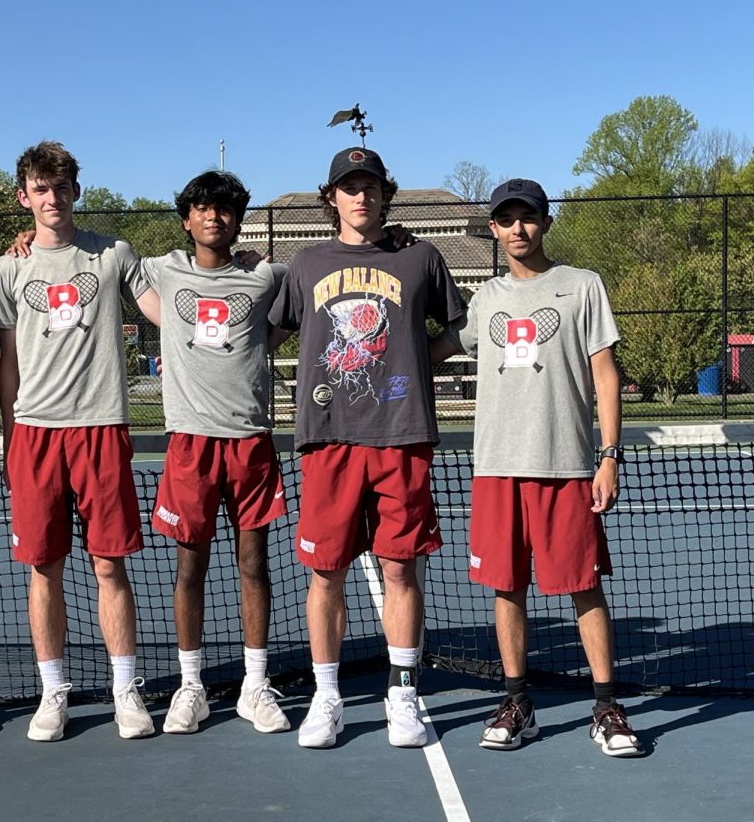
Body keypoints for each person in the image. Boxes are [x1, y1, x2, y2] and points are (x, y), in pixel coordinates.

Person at [435, 178, 644, 758]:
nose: (518, 229)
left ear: (545, 223)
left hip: (569, 467)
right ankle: (517, 700)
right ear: (494, 229)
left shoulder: (582, 287)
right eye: (507, 220)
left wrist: (609, 456)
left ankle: (607, 706)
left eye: (528, 218)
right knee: (507, 586)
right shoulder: (484, 299)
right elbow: (430, 347)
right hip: (497, 467)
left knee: (583, 586)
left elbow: (606, 375)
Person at [267, 146, 466, 749]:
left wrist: (410, 366)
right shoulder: (303, 265)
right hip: (328, 438)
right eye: (349, 187)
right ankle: (327, 699)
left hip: (402, 435)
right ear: (331, 198)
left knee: (401, 568)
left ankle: (403, 695)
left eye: (371, 186)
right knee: (326, 574)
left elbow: (454, 329)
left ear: (386, 193)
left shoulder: (421, 257)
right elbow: (268, 331)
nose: (361, 196)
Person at [0, 141, 161, 741]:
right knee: (44, 568)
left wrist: (237, 274)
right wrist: (11, 436)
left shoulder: (112, 254)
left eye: (61, 187)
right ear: (25, 197)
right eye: (41, 188)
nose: (52, 198)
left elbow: (164, 309)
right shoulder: (7, 269)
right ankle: (53, 692)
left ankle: (125, 691)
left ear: (75, 192)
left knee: (108, 565)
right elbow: (6, 358)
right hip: (35, 433)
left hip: (101, 427)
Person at [142, 170, 290, 735]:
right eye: (203, 209)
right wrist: (25, 240)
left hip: (250, 440)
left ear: (237, 219)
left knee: (254, 565)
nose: (214, 217)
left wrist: (394, 235)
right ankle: (191, 686)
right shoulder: (161, 270)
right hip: (189, 444)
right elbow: (98, 257)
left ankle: (256, 686)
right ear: (186, 218)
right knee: (190, 568)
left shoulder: (265, 276)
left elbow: (312, 284)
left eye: (225, 209)